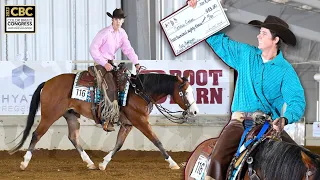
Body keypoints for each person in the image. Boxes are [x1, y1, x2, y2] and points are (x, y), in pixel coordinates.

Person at [187, 1, 306, 179]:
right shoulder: (246, 54)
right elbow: (217, 40)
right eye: (260, 32)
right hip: (239, 122)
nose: (258, 36)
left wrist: (285, 118)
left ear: (276, 39)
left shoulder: (286, 71)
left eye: (263, 34)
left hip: (269, 126)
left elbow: (297, 100)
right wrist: (198, 11)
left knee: (299, 163)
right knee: (218, 160)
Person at [89, 8, 141, 132]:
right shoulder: (105, 33)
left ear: (123, 21)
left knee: (123, 83)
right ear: (112, 20)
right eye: (116, 19)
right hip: (101, 63)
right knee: (111, 87)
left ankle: (119, 114)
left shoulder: (122, 33)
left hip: (111, 63)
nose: (118, 21)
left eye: (120, 19)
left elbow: (128, 49)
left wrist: (136, 62)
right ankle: (106, 119)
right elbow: (93, 49)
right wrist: (103, 62)